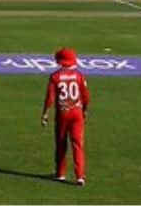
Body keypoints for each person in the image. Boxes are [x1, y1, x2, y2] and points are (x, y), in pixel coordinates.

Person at [41, 47, 90, 185]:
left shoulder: (55, 76)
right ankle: (80, 176)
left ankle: (60, 173)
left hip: (63, 113)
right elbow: (86, 96)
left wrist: (45, 113)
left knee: (61, 143)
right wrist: (85, 109)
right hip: (77, 112)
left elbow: (50, 97)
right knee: (78, 144)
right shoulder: (79, 75)